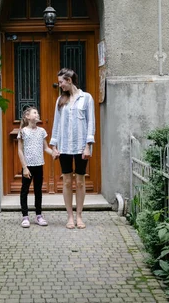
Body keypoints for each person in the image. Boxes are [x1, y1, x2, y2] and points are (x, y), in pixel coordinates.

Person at [50, 68, 95, 229]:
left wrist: (88, 146)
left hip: (81, 147)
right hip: (64, 148)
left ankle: (79, 215)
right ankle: (69, 216)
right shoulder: (60, 100)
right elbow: (56, 124)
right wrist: (54, 146)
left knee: (81, 182)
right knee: (67, 181)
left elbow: (91, 123)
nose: (60, 85)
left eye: (61, 82)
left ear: (69, 80)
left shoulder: (86, 98)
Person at [17, 106, 54, 228]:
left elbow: (46, 148)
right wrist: (24, 167)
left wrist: (54, 153)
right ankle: (25, 217)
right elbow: (20, 151)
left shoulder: (42, 131)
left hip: (39, 165)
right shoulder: (23, 131)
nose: (37, 114)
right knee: (25, 190)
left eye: (37, 112)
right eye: (34, 113)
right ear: (27, 117)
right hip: (28, 166)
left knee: (38, 191)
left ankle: (39, 215)